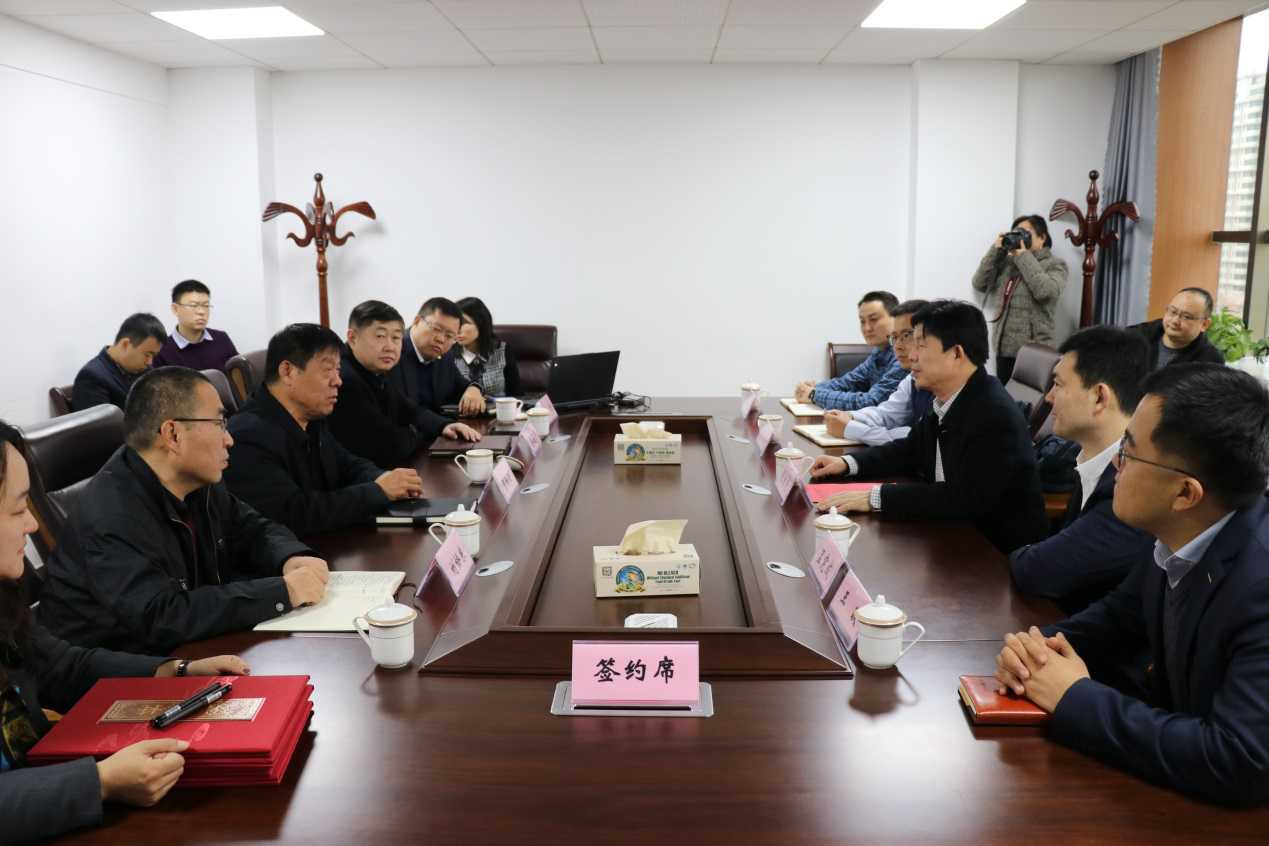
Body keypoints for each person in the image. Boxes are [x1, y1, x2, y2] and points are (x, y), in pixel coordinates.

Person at [993, 364, 1269, 805]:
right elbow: (1118, 618)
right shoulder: (1176, 532)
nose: (1115, 461)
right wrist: (1035, 652)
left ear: (1185, 493)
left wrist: (1074, 697)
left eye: (1129, 450)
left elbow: (1237, 758)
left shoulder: (1259, 582)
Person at [0, 419, 256, 842]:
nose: (30, 525)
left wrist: (176, 671)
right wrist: (100, 782)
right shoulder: (114, 508)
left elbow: (62, 666)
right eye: (16, 509)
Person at [37, 368, 329, 653]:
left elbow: (250, 528)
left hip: (187, 649)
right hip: (119, 670)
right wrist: (281, 592)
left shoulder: (195, 480)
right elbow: (162, 616)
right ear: (173, 434)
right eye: (219, 423)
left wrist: (290, 556)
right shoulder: (111, 515)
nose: (229, 439)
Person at [808, 300, 1047, 555]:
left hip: (996, 556)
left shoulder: (993, 413)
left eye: (921, 345)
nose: (912, 355)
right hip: (953, 539)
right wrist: (848, 464)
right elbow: (910, 450)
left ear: (956, 353)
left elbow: (963, 499)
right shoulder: (951, 398)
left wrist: (874, 497)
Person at [224, 323, 424, 538]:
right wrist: (379, 491)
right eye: (328, 370)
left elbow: (347, 464)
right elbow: (294, 513)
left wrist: (385, 478)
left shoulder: (310, 417)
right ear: (287, 372)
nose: (338, 381)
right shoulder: (246, 436)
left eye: (338, 370)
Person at [1009, 327, 1154, 613]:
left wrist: (1030, 554)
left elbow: (1037, 571)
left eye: (1058, 384)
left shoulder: (1132, 487)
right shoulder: (1093, 459)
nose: (1049, 397)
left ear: (1099, 397)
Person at [328, 300, 481, 467]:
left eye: (395, 338)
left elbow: (407, 408)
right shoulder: (344, 379)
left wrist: (444, 426)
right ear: (352, 338)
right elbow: (390, 446)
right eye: (380, 336)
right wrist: (419, 431)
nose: (390, 347)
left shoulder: (372, 367)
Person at [972, 214, 1069, 385]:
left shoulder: (1055, 265)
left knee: (1029, 400)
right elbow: (979, 283)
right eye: (1016, 232)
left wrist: (1023, 256)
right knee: (1005, 398)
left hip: (1036, 352)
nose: (1020, 236)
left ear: (1042, 237)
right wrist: (996, 250)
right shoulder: (1008, 264)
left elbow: (1046, 292)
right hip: (1004, 350)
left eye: (1025, 232)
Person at [823, 299, 933, 445]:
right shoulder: (907, 372)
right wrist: (850, 416)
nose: (897, 346)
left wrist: (851, 428)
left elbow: (918, 437)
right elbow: (888, 413)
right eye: (895, 337)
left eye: (907, 335)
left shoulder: (944, 381)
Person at [794, 291, 905, 411]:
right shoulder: (879, 351)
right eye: (862, 321)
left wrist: (813, 394)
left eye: (873, 319)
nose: (867, 328)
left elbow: (871, 401)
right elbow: (848, 382)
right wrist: (813, 388)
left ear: (896, 318)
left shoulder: (904, 355)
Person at [389, 297, 487, 418]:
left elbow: (460, 386)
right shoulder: (392, 350)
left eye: (449, 336)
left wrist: (474, 388)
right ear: (417, 321)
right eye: (436, 329)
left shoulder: (445, 355)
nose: (441, 339)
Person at [71, 313, 166, 411]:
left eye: (153, 356)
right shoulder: (91, 378)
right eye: (147, 354)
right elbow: (101, 421)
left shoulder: (146, 371)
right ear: (125, 344)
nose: (150, 362)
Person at [152, 279, 240, 371]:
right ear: (175, 309)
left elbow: (238, 373)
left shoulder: (221, 339)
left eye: (206, 305)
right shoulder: (161, 351)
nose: (201, 312)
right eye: (193, 305)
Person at [1130, 287, 1225, 371]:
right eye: (1173, 312)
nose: (1175, 321)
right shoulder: (1133, 337)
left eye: (1186, 317)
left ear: (1204, 324)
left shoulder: (1211, 361)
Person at [455, 296, 522, 398]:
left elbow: (516, 394)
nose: (457, 329)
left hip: (499, 408)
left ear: (481, 324)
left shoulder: (502, 350)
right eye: (455, 323)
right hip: (458, 408)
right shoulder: (447, 354)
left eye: (464, 323)